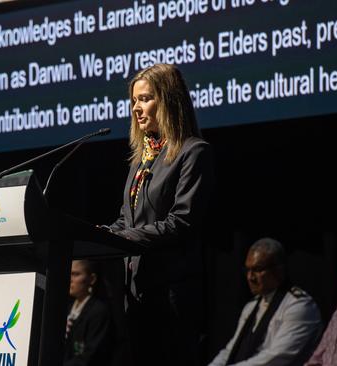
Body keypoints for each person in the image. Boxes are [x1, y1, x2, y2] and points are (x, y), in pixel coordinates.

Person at [108, 63, 214, 365]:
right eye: (134, 101)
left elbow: (182, 222)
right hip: (136, 294)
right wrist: (100, 234)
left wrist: (120, 237)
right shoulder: (140, 161)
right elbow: (125, 221)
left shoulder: (194, 152)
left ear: (168, 100)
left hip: (171, 293)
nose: (136, 109)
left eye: (145, 99)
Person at [209, 238, 322, 366]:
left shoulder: (299, 306)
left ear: (279, 270)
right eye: (247, 270)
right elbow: (231, 350)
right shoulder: (251, 306)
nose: (250, 277)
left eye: (257, 269)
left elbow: (277, 357)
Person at [64, 260, 113, 366]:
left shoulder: (98, 312)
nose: (70, 279)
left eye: (76, 274)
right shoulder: (68, 308)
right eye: (69, 274)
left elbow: (91, 355)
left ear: (92, 279)